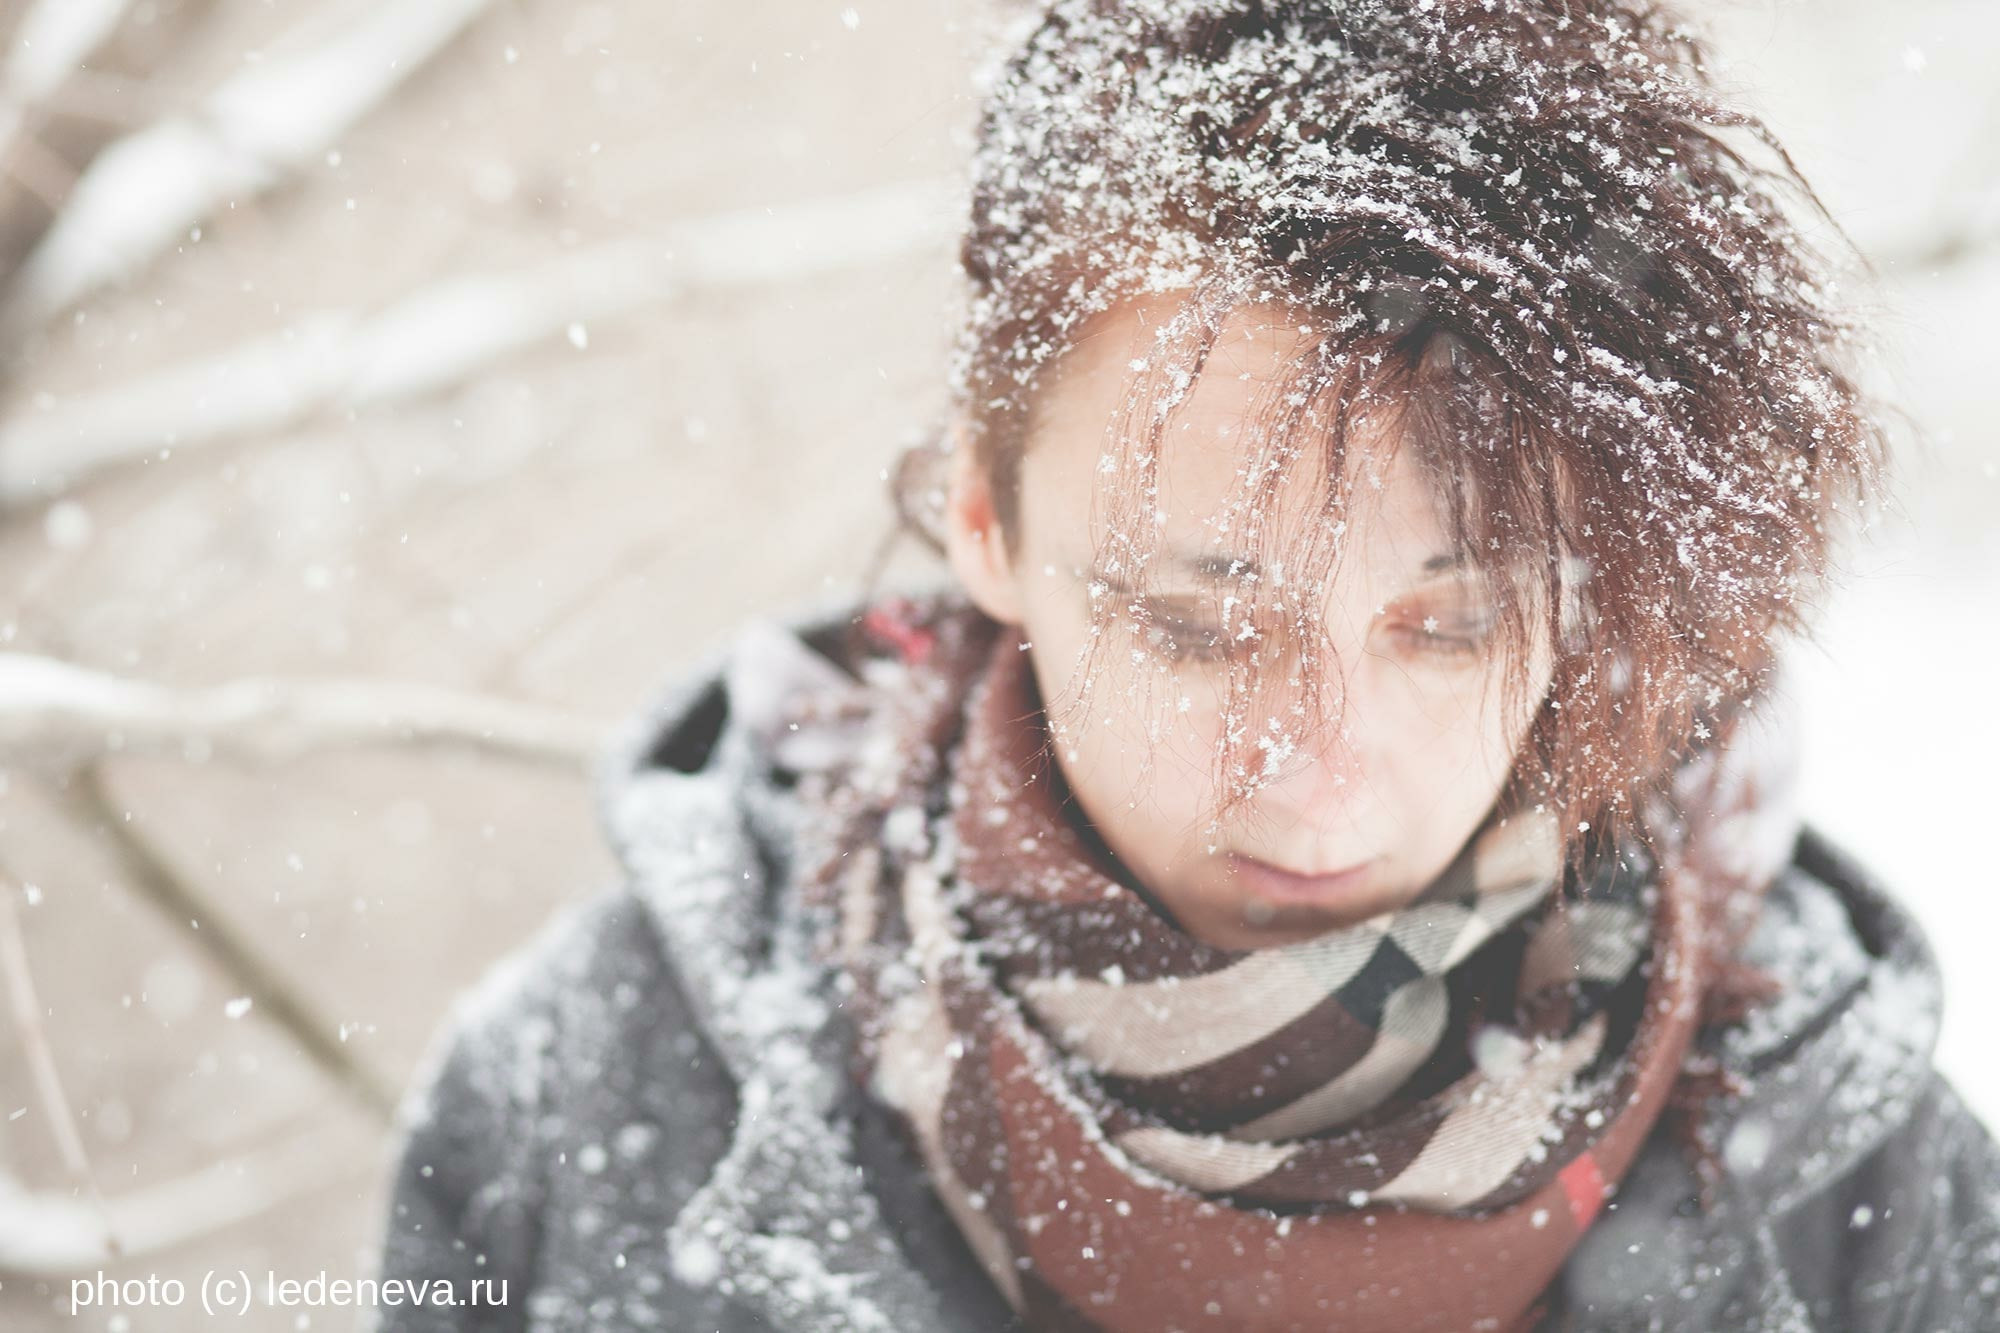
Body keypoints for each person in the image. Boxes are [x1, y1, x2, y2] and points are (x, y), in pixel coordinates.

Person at [371, 1, 2000, 1329]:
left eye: (1449, 623)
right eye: (1194, 622)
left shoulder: (1857, 1181)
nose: (1315, 764)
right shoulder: (578, 1110)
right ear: (979, 519)